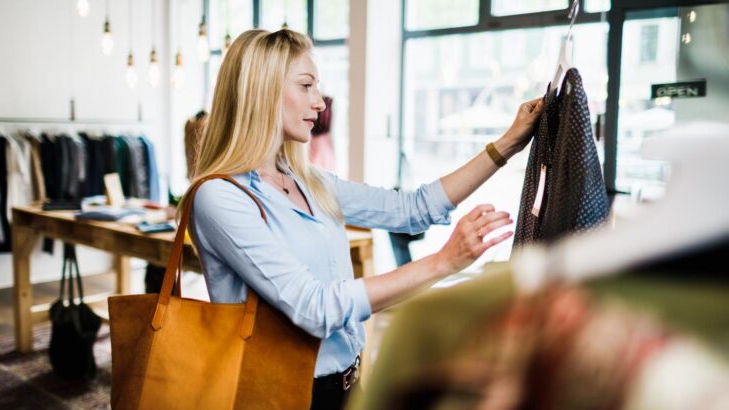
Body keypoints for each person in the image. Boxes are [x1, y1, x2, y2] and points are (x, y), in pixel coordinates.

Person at [187, 28, 543, 410]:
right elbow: (315, 308)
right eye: (305, 86)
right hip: (280, 394)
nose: (320, 103)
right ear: (262, 91)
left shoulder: (308, 181)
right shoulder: (219, 197)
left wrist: (508, 143)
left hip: (347, 382)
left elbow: (412, 209)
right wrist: (444, 262)